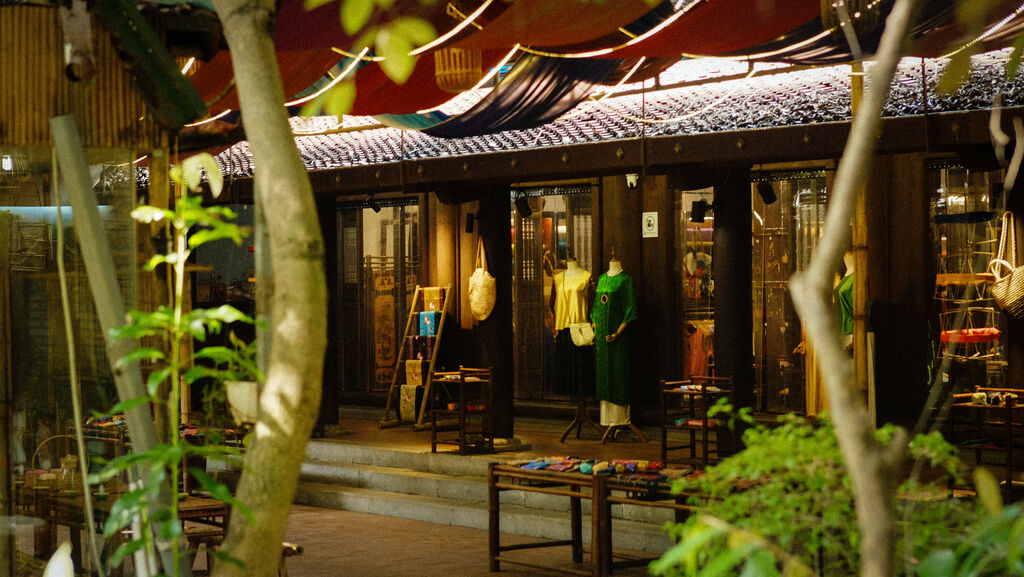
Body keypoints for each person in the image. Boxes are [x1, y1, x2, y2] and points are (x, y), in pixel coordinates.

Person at [591, 256, 637, 426]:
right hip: (601, 339)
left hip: (617, 339)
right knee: (604, 374)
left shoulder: (625, 280)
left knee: (617, 373)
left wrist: (618, 332)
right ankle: (606, 419)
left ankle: (620, 420)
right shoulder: (602, 278)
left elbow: (630, 308)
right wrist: (595, 324)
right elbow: (596, 306)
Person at [551, 257, 594, 397]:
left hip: (580, 327)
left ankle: (582, 398)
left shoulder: (586, 276)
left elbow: (593, 304)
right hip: (563, 328)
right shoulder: (557, 278)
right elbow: (551, 304)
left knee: (580, 368)